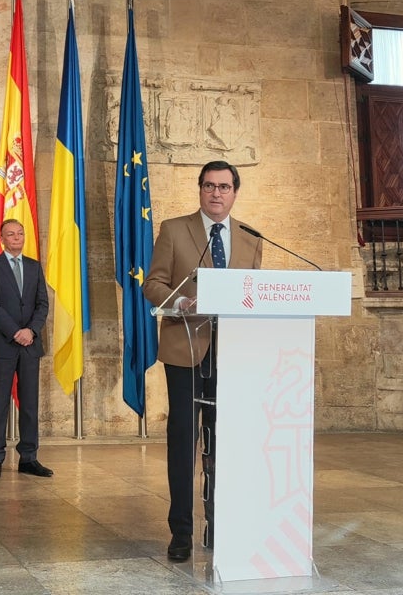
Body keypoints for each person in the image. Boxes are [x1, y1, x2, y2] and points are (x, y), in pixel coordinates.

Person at [142, 160, 263, 561]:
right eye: (209, 186)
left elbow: (253, 293)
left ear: (234, 192)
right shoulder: (174, 230)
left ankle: (220, 523)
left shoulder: (251, 238)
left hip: (232, 354)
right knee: (184, 441)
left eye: (224, 187)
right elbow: (153, 283)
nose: (216, 193)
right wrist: (178, 302)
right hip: (186, 349)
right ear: (199, 190)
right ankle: (181, 531)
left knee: (226, 442)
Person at [0, 219, 52, 480]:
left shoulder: (33, 266)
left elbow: (42, 303)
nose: (16, 237)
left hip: (30, 345)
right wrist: (15, 332)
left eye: (20, 233)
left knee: (30, 403)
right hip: (2, 344)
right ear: (2, 239)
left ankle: (29, 457)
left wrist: (30, 331)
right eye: (11, 234)